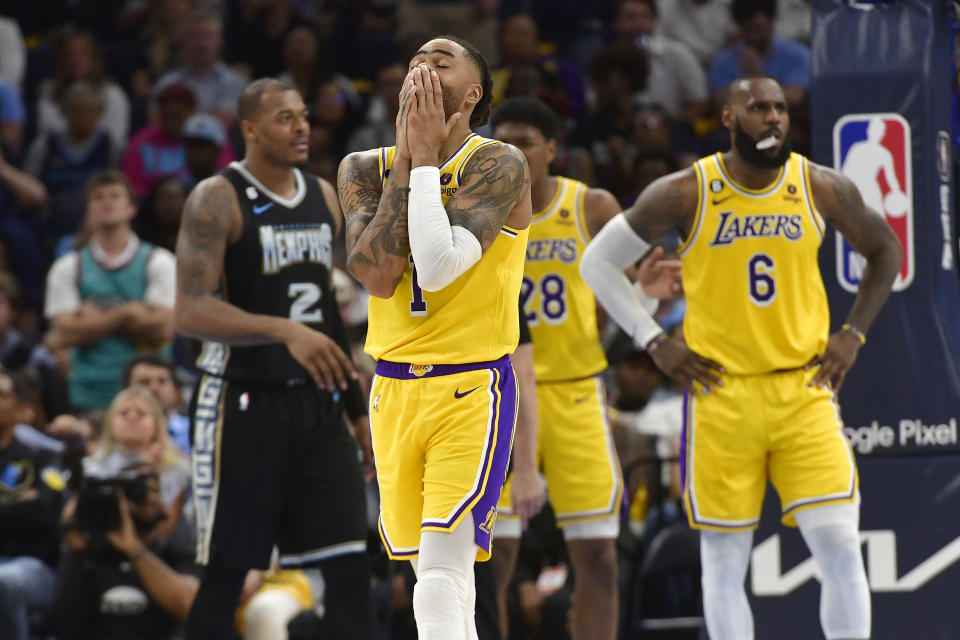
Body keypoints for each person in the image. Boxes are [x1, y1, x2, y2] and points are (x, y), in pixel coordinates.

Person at [580, 76, 903, 640]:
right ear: (728, 118)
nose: (773, 118)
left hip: (803, 392)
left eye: (779, 107)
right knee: (725, 562)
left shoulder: (820, 186)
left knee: (842, 549)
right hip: (720, 395)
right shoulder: (687, 190)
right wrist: (654, 340)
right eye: (758, 108)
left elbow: (884, 250)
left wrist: (853, 333)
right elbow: (597, 263)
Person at [338, 36, 531, 639]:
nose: (424, 65)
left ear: (472, 94)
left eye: (442, 61)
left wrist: (423, 160)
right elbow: (376, 275)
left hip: (470, 387)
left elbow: (441, 263)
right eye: (417, 60)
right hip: (392, 390)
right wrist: (410, 158)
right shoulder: (360, 168)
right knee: (436, 579)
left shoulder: (500, 162)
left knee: (441, 574)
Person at [174, 77, 374, 640]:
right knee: (227, 575)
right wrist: (284, 330)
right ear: (250, 129)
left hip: (316, 407)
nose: (302, 126)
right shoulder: (217, 197)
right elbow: (189, 312)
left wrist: (357, 413)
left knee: (351, 567)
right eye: (285, 117)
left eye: (305, 115)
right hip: (240, 401)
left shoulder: (323, 194)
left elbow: (329, 319)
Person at [489, 96, 680, 640]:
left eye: (524, 140)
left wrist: (645, 298)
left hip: (574, 392)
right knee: (494, 560)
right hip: (500, 396)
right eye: (502, 141)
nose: (513, 152)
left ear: (553, 149)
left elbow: (625, 300)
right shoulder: (475, 213)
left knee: (597, 553)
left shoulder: (589, 206)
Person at [44, 170, 176, 412]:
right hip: (88, 394)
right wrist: (130, 314)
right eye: (98, 198)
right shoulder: (68, 266)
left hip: (148, 396)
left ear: (131, 208)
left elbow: (163, 326)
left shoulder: (159, 261)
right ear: (88, 209)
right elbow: (64, 333)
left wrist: (92, 322)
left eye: (115, 196)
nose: (107, 202)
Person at [0, 371, 65, 640]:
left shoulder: (44, 457)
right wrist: (16, 503)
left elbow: (46, 513)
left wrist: (28, 508)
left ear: (21, 410)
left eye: (2, 395)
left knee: (4, 581)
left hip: (31, 565)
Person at [122, 352, 191, 456]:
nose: (155, 388)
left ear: (175, 389)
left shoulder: (194, 431)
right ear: (126, 389)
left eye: (162, 381)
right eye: (144, 382)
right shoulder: (113, 432)